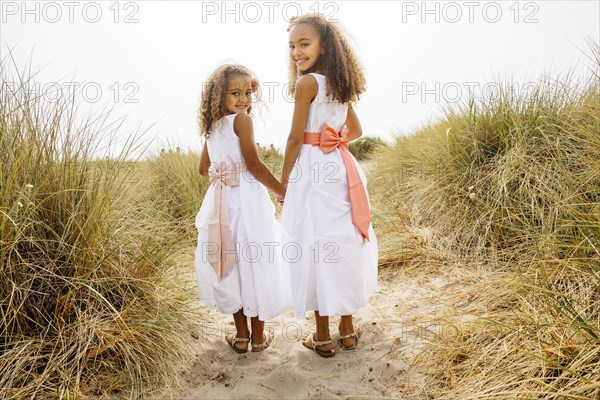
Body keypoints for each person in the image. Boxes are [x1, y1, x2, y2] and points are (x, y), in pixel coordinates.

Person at [279, 14, 378, 358]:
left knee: (314, 244)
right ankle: (347, 331)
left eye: (304, 44)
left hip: (311, 168)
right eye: (292, 45)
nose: (296, 52)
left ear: (324, 46)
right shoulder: (339, 85)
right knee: (342, 242)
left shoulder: (307, 84)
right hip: (339, 165)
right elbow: (357, 130)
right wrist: (334, 138)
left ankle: (322, 336)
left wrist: (283, 182)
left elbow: (294, 138)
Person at [194, 64, 286, 353]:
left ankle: (242, 336)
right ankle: (259, 338)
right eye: (235, 93)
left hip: (221, 203)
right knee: (254, 261)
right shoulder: (242, 121)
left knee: (229, 262)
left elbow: (203, 169)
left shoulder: (211, 127)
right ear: (218, 95)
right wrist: (284, 191)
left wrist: (223, 172)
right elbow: (254, 166)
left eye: (248, 92)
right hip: (247, 202)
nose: (244, 99)